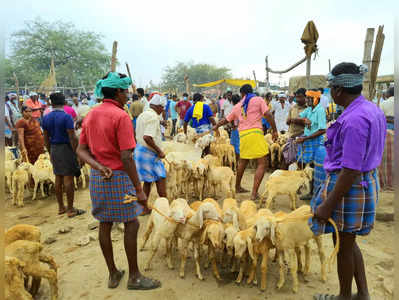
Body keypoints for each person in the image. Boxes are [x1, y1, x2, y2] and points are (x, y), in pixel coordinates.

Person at [77, 72, 161, 290]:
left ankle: (113, 273)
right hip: (120, 177)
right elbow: (126, 157)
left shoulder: (91, 115)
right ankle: (134, 277)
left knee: (104, 224)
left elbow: (81, 150)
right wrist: (139, 189)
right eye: (125, 92)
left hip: (98, 178)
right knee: (132, 222)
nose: (127, 96)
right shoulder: (120, 116)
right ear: (117, 92)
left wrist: (98, 166)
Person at [311, 62, 386, 300]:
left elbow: (350, 170)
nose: (330, 93)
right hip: (365, 181)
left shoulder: (354, 120)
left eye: (331, 89)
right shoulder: (371, 109)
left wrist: (327, 204)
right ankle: (362, 294)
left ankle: (344, 296)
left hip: (351, 186)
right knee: (347, 240)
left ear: (338, 91)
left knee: (343, 245)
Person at [213, 84, 278, 200]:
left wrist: (216, 126)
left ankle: (237, 187)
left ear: (242, 94)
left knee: (243, 160)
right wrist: (275, 130)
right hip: (255, 134)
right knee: (263, 163)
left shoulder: (238, 105)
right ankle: (254, 193)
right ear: (251, 91)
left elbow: (226, 119)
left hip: (242, 135)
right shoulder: (258, 100)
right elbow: (267, 114)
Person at [42, 93, 84, 218]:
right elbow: (72, 137)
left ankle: (61, 207)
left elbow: (45, 138)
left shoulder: (46, 117)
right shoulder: (66, 117)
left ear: (51, 103)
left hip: (54, 148)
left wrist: (50, 151)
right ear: (64, 102)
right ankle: (70, 209)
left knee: (58, 177)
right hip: (65, 148)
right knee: (68, 178)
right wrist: (77, 152)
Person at [134, 94, 167, 210]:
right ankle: (165, 206)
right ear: (157, 106)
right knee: (161, 177)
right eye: (162, 107)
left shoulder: (142, 115)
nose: (163, 110)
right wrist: (159, 151)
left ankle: (143, 208)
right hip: (149, 153)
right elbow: (147, 137)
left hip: (140, 151)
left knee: (148, 181)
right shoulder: (153, 117)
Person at [282, 88, 307, 167]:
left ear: (305, 97)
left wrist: (297, 120)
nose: (298, 99)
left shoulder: (308, 109)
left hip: (302, 138)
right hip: (291, 137)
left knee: (301, 161)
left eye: (300, 97)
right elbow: (287, 122)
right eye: (297, 97)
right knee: (288, 160)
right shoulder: (293, 107)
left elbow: (309, 124)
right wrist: (290, 120)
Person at [229, 94, 241, 162]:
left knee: (235, 146)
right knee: (240, 145)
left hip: (236, 129)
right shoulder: (242, 107)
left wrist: (233, 126)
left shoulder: (234, 108)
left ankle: (237, 162)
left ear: (232, 102)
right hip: (242, 128)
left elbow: (231, 119)